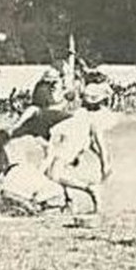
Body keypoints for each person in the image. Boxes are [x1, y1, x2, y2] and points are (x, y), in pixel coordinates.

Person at [42, 81, 117, 212]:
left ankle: (89, 189)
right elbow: (96, 145)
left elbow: (98, 143)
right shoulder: (83, 113)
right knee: (54, 172)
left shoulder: (92, 117)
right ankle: (70, 201)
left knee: (54, 174)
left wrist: (104, 163)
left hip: (70, 144)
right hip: (64, 142)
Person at [0, 129, 66, 215]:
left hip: (16, 174)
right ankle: (41, 204)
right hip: (29, 171)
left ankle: (29, 206)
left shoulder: (0, 155)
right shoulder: (19, 144)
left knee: (7, 195)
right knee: (44, 191)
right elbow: (42, 142)